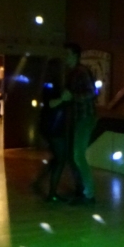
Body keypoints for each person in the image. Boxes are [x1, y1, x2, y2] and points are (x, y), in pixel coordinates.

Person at [62, 43, 98, 205]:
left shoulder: (81, 72)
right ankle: (83, 191)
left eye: (68, 54)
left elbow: (92, 93)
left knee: (78, 155)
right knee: (76, 155)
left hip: (85, 117)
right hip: (79, 118)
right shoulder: (73, 72)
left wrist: (72, 96)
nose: (65, 58)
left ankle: (89, 194)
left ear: (75, 56)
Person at [31, 62, 69, 201]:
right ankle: (51, 193)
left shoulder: (48, 84)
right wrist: (63, 98)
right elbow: (51, 104)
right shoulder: (52, 85)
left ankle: (39, 183)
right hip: (53, 126)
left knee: (56, 159)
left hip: (50, 126)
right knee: (60, 159)